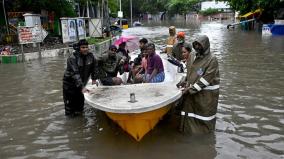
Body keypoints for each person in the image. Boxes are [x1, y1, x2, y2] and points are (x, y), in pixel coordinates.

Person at [177, 35, 220, 134]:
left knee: (202, 117)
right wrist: (184, 80)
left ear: (205, 46)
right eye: (195, 44)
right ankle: (186, 131)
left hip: (205, 96)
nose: (197, 47)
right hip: (193, 92)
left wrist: (190, 89)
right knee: (189, 114)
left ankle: (204, 137)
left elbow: (206, 79)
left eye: (199, 45)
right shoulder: (192, 55)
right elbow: (190, 71)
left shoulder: (212, 59)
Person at [63, 39, 98, 116]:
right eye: (83, 47)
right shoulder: (72, 58)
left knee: (80, 105)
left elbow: (94, 67)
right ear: (79, 48)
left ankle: (81, 122)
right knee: (70, 108)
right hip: (70, 85)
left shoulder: (91, 56)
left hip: (82, 83)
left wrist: (94, 79)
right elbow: (75, 74)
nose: (85, 49)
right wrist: (82, 87)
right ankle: (70, 123)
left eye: (86, 47)